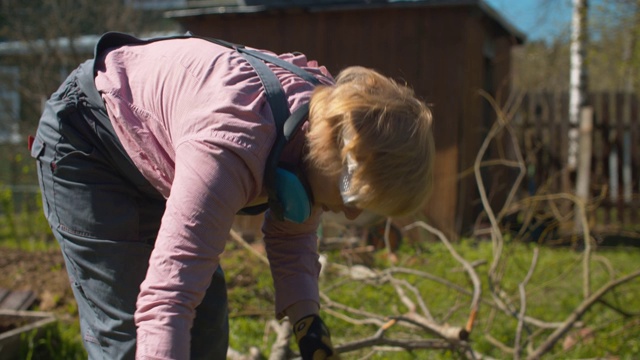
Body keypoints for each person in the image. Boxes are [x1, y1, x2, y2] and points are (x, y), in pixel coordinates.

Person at [30, 31, 434, 360]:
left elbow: (292, 234)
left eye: (364, 210)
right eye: (352, 197)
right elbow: (167, 299)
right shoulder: (233, 143)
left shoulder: (320, 125)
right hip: (89, 142)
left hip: (159, 151)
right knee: (132, 337)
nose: (348, 215)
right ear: (330, 143)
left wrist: (311, 330)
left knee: (206, 325)